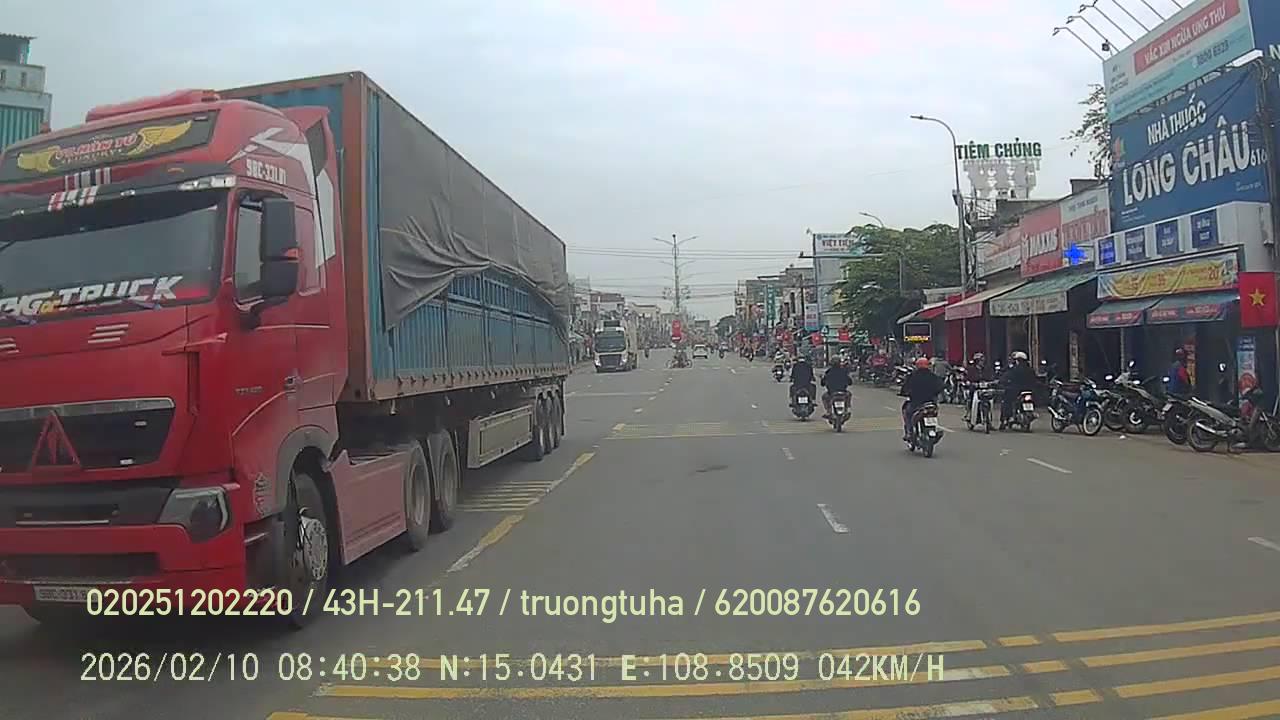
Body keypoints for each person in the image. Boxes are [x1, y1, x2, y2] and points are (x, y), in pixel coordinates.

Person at [899, 357, 943, 440]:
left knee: (907, 413)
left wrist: (904, 392)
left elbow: (905, 387)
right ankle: (933, 431)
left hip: (916, 403)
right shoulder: (933, 376)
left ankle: (909, 432)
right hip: (931, 402)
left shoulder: (913, 376)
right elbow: (941, 386)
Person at [999, 351, 1036, 428]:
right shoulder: (1030, 369)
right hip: (1028, 390)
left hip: (1016, 390)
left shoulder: (1014, 369)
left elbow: (1006, 377)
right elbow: (1034, 380)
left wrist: (1002, 381)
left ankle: (1006, 418)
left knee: (1006, 401)